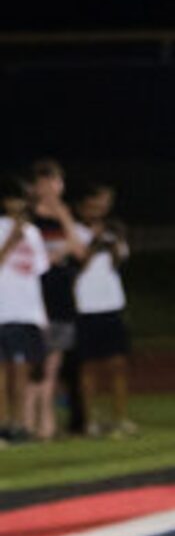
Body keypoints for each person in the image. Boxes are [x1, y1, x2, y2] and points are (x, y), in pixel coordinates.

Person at [24, 161, 82, 440]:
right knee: (30, 367)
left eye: (55, 183)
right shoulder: (26, 219)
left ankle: (45, 425)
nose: (50, 189)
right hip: (33, 300)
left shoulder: (64, 216)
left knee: (52, 366)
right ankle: (26, 423)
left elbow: (79, 251)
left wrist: (64, 216)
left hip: (61, 299)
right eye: (44, 183)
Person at [70, 183, 134, 436]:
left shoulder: (111, 230)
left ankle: (120, 418)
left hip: (112, 304)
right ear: (81, 207)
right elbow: (79, 262)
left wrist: (115, 240)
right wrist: (95, 243)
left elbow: (119, 261)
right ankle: (91, 419)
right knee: (88, 367)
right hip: (86, 306)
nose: (97, 211)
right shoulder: (74, 231)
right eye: (92, 206)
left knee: (118, 364)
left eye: (101, 206)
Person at [0, 185, 45, 442]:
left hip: (26, 312)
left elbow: (37, 273)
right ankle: (2, 424)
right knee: (2, 373)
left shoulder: (33, 233)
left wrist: (41, 316)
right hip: (2, 311)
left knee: (22, 372)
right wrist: (12, 239)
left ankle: (18, 424)